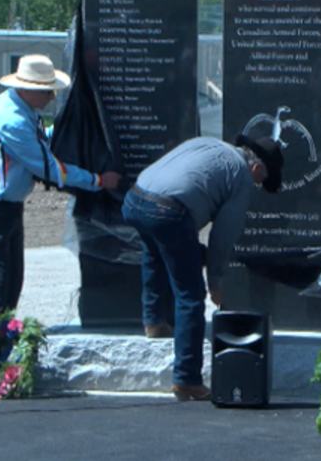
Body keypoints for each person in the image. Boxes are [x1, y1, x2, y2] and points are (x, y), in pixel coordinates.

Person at [121, 135, 284, 402]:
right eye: (260, 181)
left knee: (155, 253)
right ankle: (186, 378)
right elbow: (223, 236)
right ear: (256, 168)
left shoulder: (212, 144)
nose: (256, 186)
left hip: (135, 199)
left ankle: (154, 321)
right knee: (191, 295)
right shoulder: (242, 176)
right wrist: (215, 281)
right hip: (168, 212)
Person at [0, 54, 120, 330]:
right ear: (25, 88)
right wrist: (98, 180)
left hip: (7, 207)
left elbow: (40, 139)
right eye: (46, 91)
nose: (51, 97)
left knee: (12, 282)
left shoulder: (19, 107)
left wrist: (69, 127)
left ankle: (1, 344)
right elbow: (50, 169)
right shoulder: (12, 119)